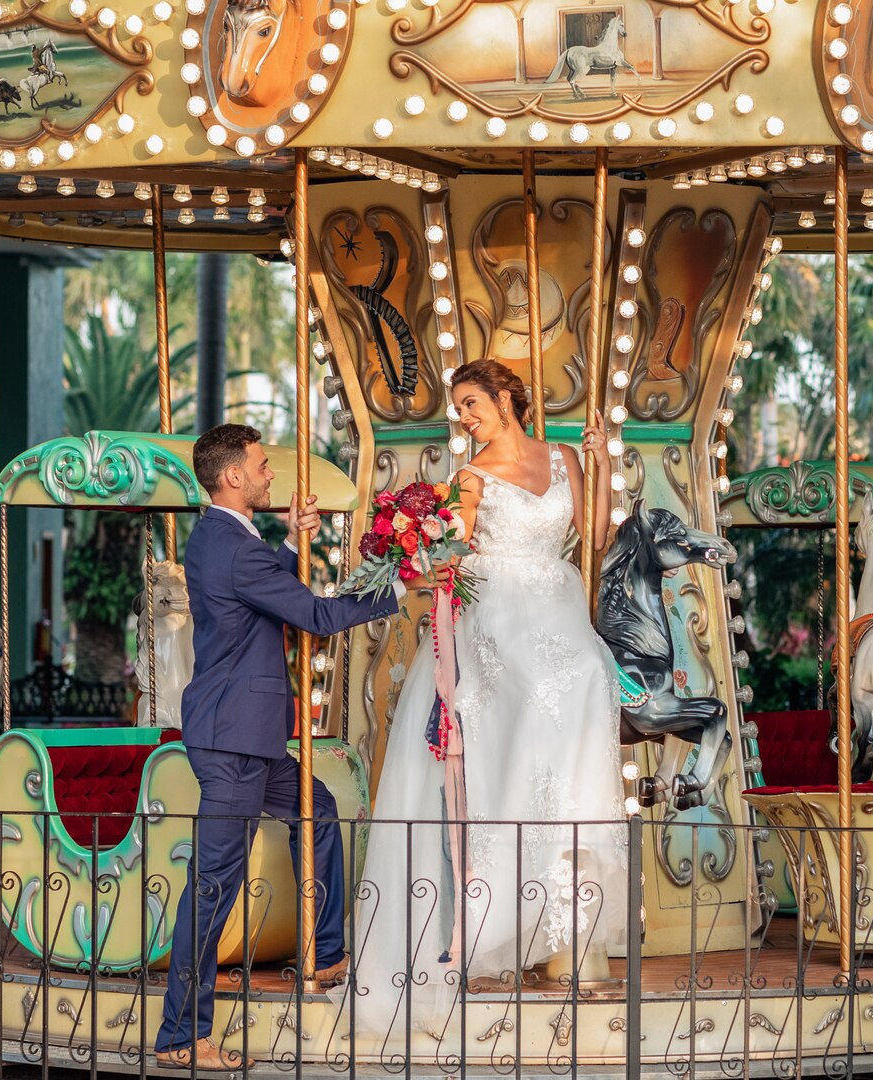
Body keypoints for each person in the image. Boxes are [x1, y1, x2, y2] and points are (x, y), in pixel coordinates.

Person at [343, 359, 630, 1044]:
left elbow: (593, 537)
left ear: (507, 397)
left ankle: (561, 916)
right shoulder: (469, 477)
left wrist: (600, 464)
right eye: (460, 407)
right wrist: (420, 552)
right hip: (498, 612)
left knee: (591, 680)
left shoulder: (563, 456)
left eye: (472, 403)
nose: (465, 417)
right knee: (520, 735)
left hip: (558, 608)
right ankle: (489, 910)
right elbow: (451, 551)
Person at [154, 423, 425, 1071]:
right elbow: (315, 616)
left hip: (244, 732)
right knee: (213, 885)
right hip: (233, 738)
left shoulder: (227, 537)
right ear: (233, 477)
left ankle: (323, 951)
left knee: (318, 809)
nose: (272, 473)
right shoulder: (232, 547)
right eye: (262, 464)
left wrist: (295, 540)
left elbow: (264, 585)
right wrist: (405, 587)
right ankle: (180, 1037)